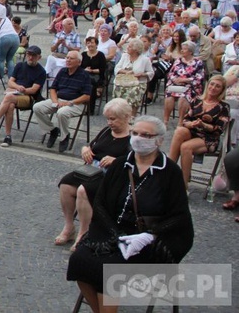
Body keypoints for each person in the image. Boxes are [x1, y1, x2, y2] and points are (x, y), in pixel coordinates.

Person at [67, 116, 194, 313]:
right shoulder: (119, 165)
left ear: (159, 140)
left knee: (109, 269)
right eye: (135, 133)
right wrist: (114, 233)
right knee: (79, 261)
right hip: (113, 230)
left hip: (149, 237)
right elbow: (100, 203)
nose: (138, 138)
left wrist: (148, 236)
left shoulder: (170, 172)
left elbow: (179, 216)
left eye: (146, 135)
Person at [55, 98, 132, 250]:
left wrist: (116, 160)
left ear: (126, 117)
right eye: (108, 118)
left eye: (113, 119)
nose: (109, 122)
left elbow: (135, 161)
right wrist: (85, 150)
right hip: (92, 171)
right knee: (66, 184)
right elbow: (91, 146)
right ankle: (69, 226)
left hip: (113, 177)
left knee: (83, 190)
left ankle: (84, 234)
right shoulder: (106, 131)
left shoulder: (132, 138)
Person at [168, 75, 230, 188]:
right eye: (212, 84)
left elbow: (219, 129)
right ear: (208, 85)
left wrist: (203, 125)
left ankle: (183, 185)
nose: (213, 87)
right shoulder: (196, 100)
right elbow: (185, 119)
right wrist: (191, 124)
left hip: (209, 138)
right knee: (180, 131)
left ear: (222, 90)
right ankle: (168, 171)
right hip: (192, 131)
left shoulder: (224, 107)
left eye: (218, 86)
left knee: (185, 147)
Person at [0, 46, 46, 146]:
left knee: (8, 98)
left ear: (39, 57)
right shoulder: (20, 65)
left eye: (33, 56)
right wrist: (18, 87)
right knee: (10, 106)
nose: (30, 57)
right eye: (29, 55)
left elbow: (34, 90)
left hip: (29, 98)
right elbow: (10, 82)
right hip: (15, 94)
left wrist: (22, 90)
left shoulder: (41, 72)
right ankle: (8, 137)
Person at [33, 51, 91, 153]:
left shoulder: (84, 75)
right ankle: (52, 130)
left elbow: (86, 96)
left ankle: (64, 137)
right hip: (59, 100)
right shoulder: (62, 71)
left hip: (76, 103)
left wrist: (70, 102)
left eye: (71, 58)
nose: (68, 60)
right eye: (67, 58)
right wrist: (55, 101)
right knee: (37, 107)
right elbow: (53, 89)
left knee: (62, 113)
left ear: (79, 62)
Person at [163, 40, 204, 125]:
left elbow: (199, 78)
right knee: (169, 95)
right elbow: (171, 73)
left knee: (183, 97)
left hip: (190, 86)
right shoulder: (178, 60)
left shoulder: (198, 62)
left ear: (190, 52)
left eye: (184, 49)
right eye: (182, 49)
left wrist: (185, 80)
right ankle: (165, 120)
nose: (182, 51)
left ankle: (181, 121)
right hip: (176, 84)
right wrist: (175, 80)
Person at [112, 38, 154, 116]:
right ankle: (120, 114)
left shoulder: (145, 60)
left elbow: (151, 73)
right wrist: (126, 72)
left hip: (138, 83)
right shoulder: (124, 56)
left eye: (130, 47)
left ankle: (131, 116)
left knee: (133, 92)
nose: (127, 47)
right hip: (123, 81)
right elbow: (117, 68)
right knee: (117, 88)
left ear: (136, 49)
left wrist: (142, 74)